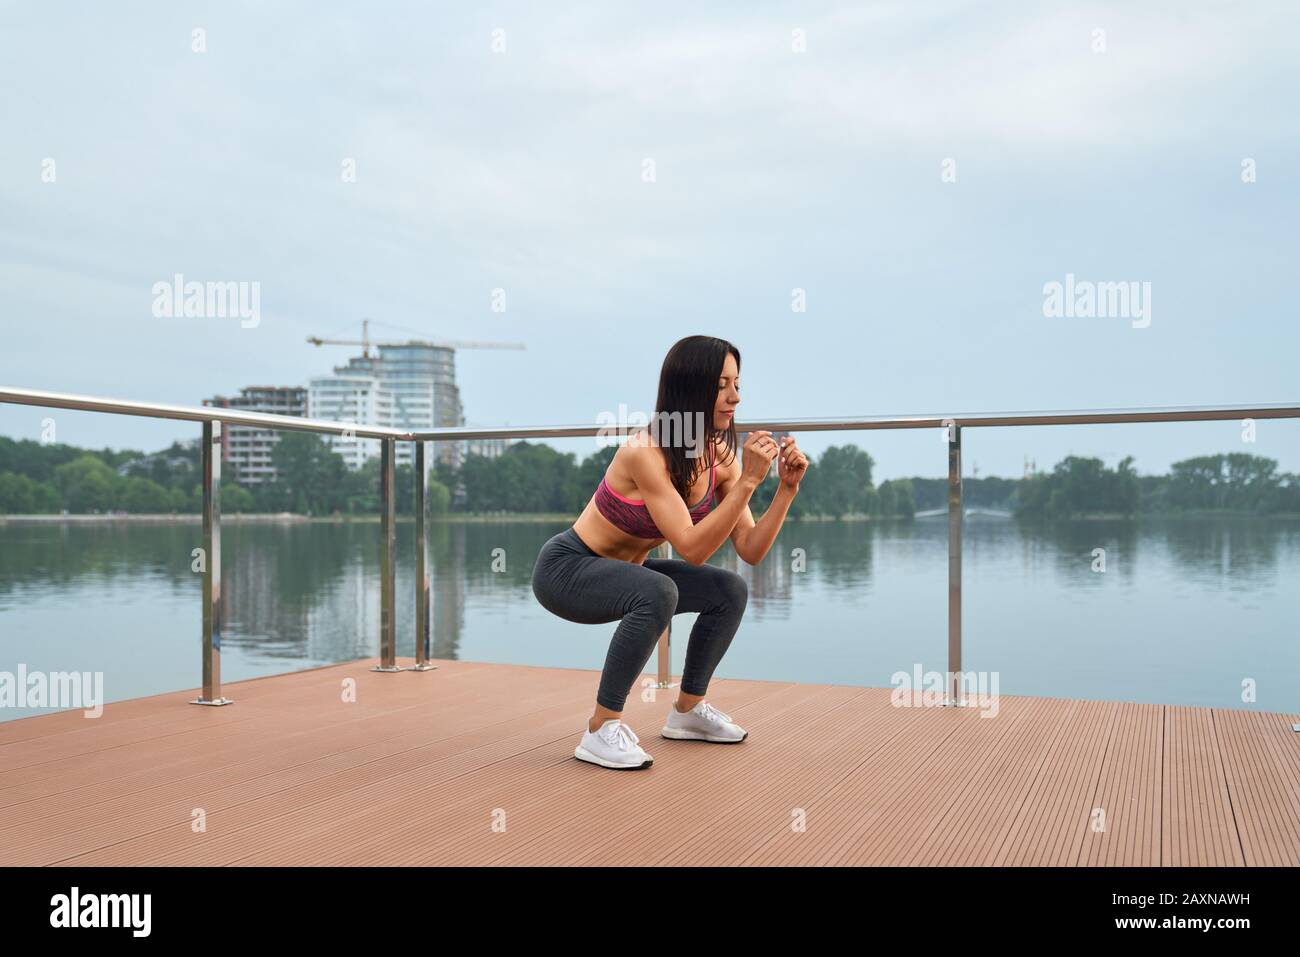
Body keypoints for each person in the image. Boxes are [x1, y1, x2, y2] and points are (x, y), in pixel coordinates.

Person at [530, 335, 808, 769]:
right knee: (658, 591)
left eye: (737, 383)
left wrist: (786, 490)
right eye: (722, 385)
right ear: (690, 389)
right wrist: (751, 482)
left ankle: (687, 712)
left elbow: (751, 550)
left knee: (729, 589)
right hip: (568, 570)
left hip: (628, 572)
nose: (736, 396)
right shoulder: (646, 453)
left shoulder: (720, 458)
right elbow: (692, 548)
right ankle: (600, 729)